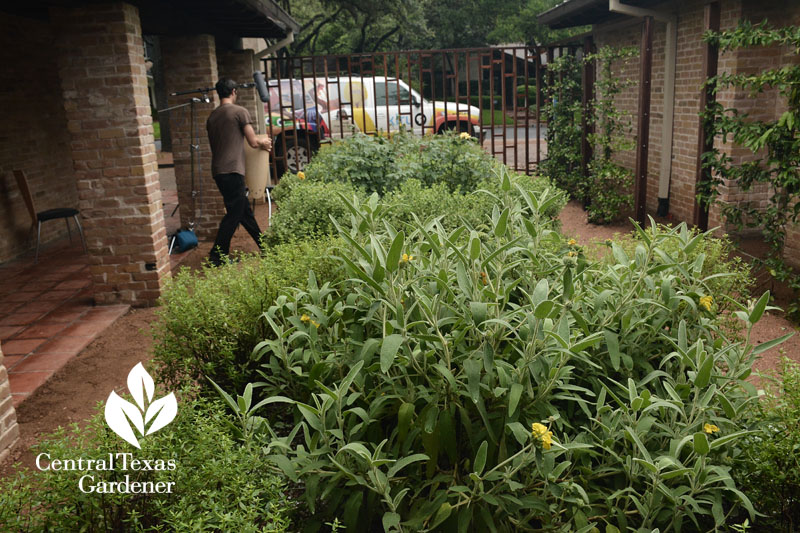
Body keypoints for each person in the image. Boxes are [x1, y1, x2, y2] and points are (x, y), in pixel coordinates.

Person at [206, 78, 272, 266]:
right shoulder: (239, 112)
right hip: (233, 169)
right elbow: (252, 141)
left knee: (243, 212)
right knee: (234, 214)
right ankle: (217, 256)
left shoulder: (212, 116)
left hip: (218, 170)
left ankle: (265, 247)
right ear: (234, 91)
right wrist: (264, 142)